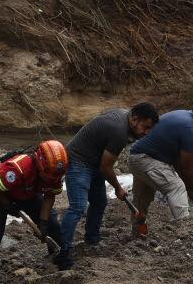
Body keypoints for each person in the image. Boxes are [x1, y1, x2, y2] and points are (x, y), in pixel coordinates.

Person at [59, 102, 158, 262]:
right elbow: (106, 168)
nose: (146, 133)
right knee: (78, 207)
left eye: (150, 129)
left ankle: (92, 238)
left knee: (99, 202)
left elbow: (104, 165)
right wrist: (118, 188)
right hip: (78, 160)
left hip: (94, 161)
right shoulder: (118, 131)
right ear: (134, 119)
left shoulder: (125, 118)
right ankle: (62, 250)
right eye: (145, 127)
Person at [0, 140, 68, 284]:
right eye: (47, 177)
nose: (51, 180)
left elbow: (49, 195)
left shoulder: (55, 171)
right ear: (39, 164)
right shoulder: (18, 168)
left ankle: (62, 261)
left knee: (52, 224)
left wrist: (43, 222)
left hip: (28, 192)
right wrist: (8, 205)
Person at [128, 101, 193, 233]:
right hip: (146, 159)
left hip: (136, 158)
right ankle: (186, 229)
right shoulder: (189, 129)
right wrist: (191, 188)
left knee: (142, 198)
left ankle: (137, 230)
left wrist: (191, 187)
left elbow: (178, 162)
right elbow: (186, 165)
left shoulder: (182, 115)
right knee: (176, 187)